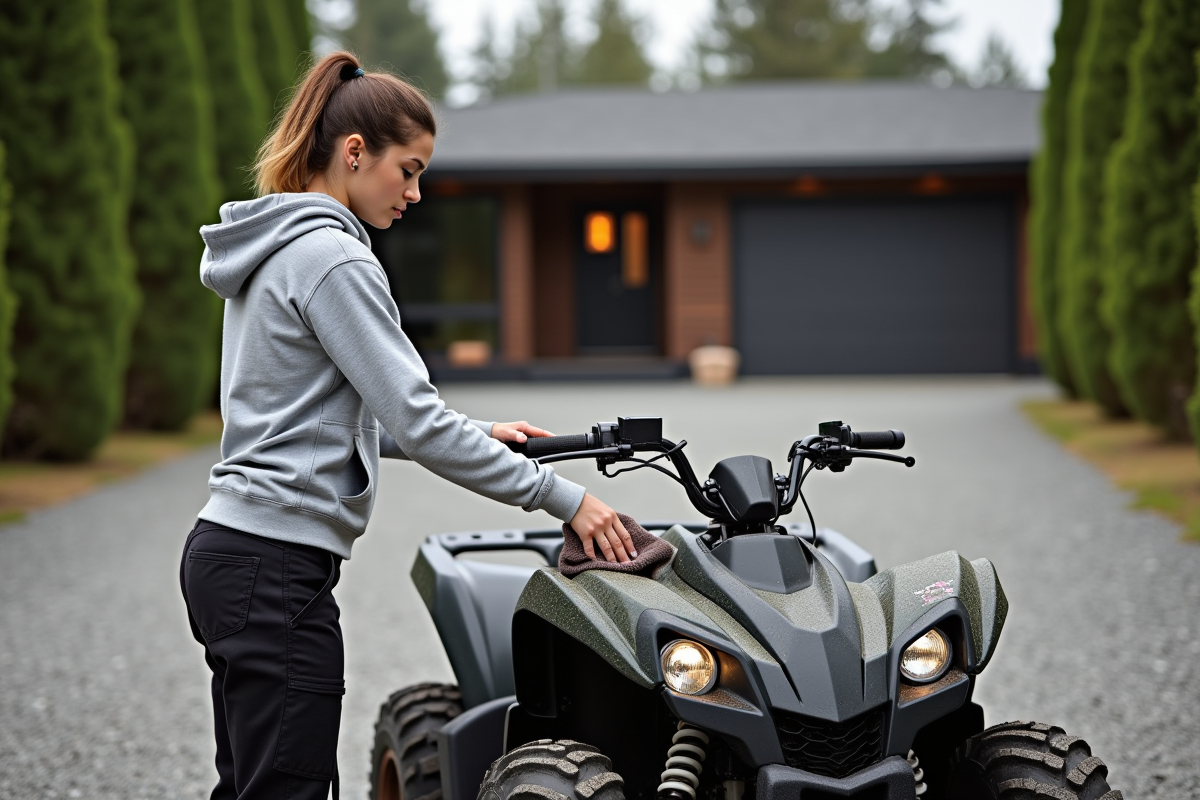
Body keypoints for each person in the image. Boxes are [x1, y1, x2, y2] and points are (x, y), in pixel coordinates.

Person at [179, 51, 634, 800]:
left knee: (254, 786)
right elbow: (417, 422)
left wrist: (477, 430)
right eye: (410, 169)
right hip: (273, 568)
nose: (417, 192)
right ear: (355, 153)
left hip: (234, 556)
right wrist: (567, 499)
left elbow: (325, 419)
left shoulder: (277, 248)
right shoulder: (334, 261)